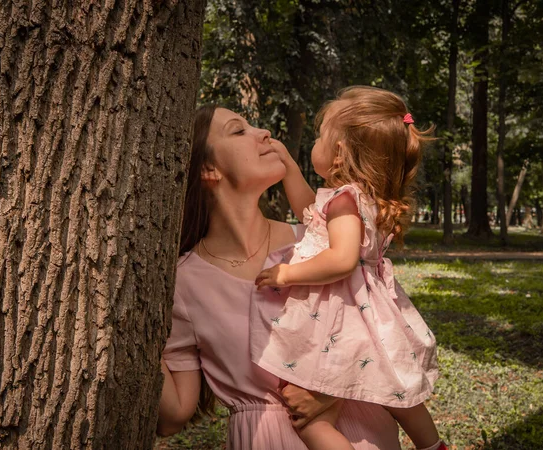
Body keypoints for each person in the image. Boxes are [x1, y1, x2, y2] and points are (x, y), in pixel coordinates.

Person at [157, 104, 402, 449]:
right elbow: (174, 416)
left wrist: (328, 392)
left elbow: (389, 332)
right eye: (238, 130)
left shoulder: (323, 245)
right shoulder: (184, 282)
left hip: (363, 431)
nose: (264, 133)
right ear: (208, 168)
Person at [253, 87, 445, 450]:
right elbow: (311, 213)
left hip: (341, 312)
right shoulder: (360, 198)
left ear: (339, 153)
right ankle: (432, 445)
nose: (315, 140)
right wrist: (290, 169)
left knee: (308, 418)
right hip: (371, 310)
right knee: (396, 385)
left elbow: (341, 259)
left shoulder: (344, 201)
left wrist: (287, 274)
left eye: (320, 134)